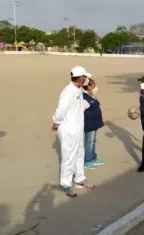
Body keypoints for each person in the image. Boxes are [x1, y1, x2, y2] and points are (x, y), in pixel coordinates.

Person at [52, 66, 95, 198]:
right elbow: (61, 109)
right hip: (68, 130)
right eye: (85, 77)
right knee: (69, 157)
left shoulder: (79, 90)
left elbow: (78, 106)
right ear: (81, 78)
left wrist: (90, 102)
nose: (87, 79)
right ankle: (65, 184)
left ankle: (79, 180)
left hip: (77, 128)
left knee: (79, 154)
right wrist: (56, 121)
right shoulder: (68, 92)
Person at [82, 78, 105, 169]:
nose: (95, 87)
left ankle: (93, 157)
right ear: (88, 87)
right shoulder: (84, 98)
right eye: (93, 86)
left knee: (93, 141)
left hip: (95, 123)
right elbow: (80, 111)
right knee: (89, 142)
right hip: (89, 124)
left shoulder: (91, 96)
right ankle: (87, 161)